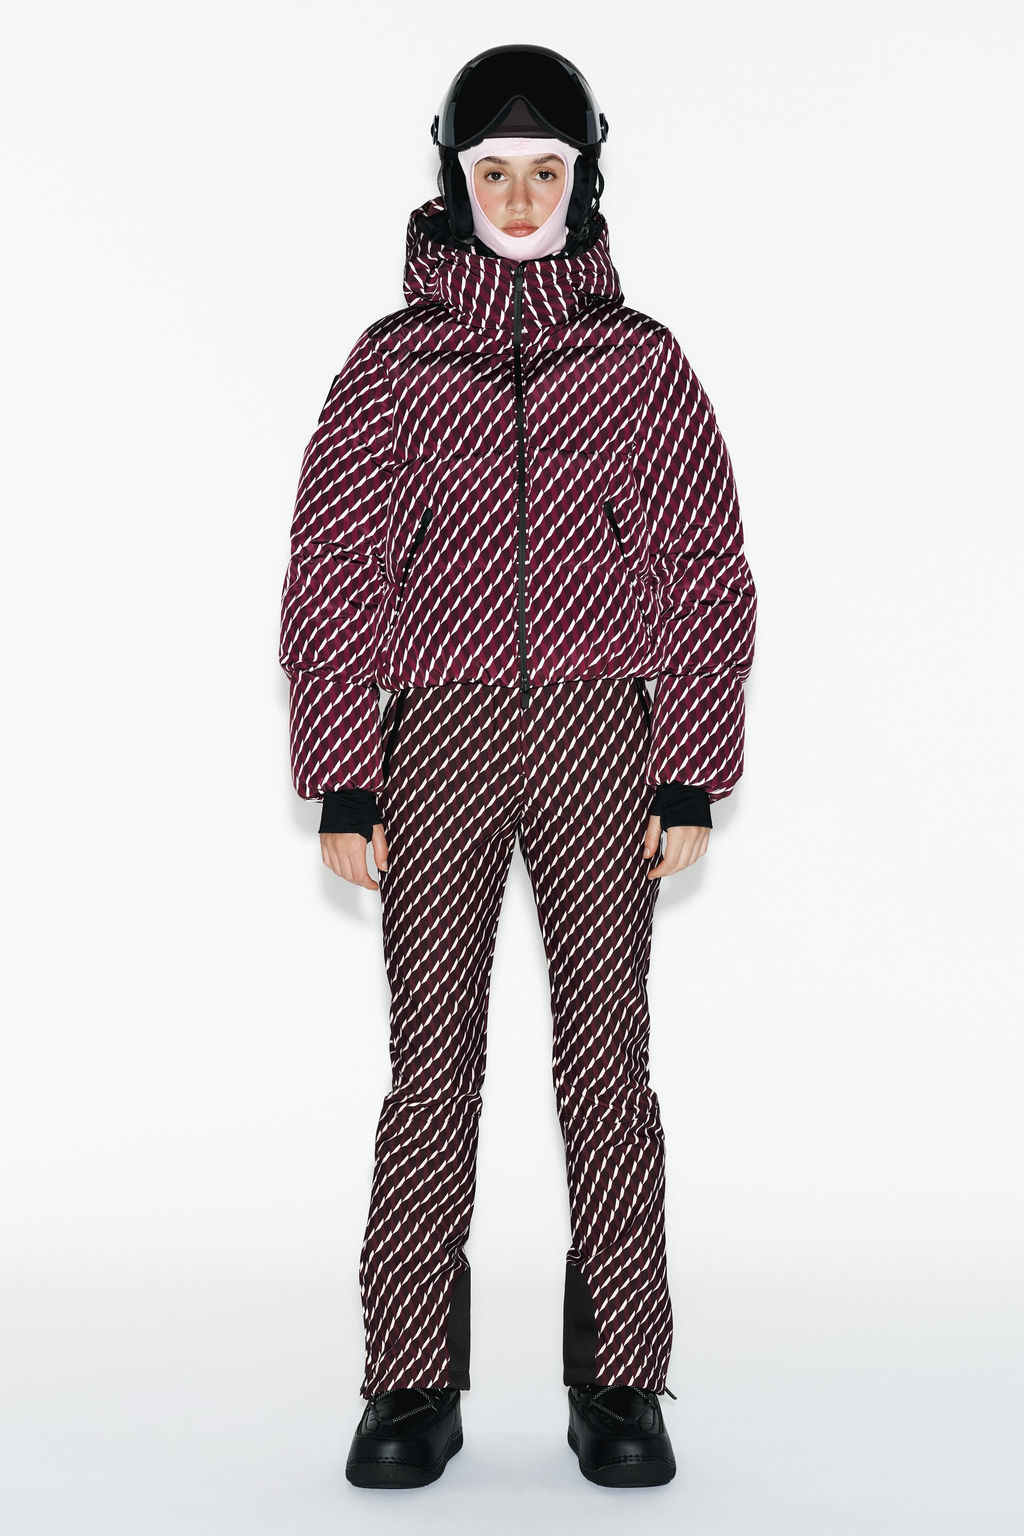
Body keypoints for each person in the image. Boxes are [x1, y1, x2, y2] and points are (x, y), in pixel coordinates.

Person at [278, 43, 757, 1490]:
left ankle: (621, 1379)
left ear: (584, 177)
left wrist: (689, 767)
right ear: (456, 178)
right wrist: (344, 774)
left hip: (604, 731)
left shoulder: (641, 361)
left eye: (549, 169)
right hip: (436, 736)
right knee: (431, 1062)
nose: (524, 195)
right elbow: (334, 567)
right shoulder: (393, 363)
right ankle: (409, 1381)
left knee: (608, 1061)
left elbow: (704, 566)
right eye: (497, 170)